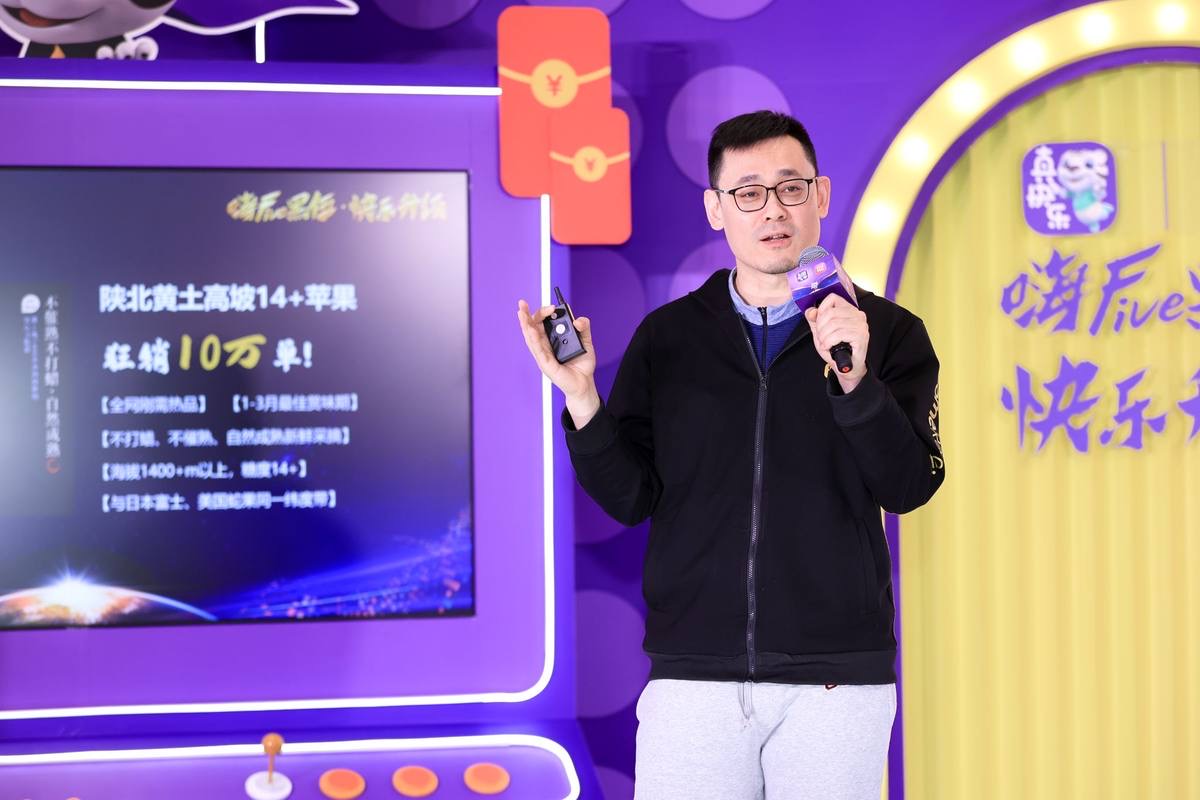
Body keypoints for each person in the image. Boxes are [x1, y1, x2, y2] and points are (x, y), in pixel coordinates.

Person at [517, 110, 945, 800]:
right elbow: (630, 497)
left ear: (820, 195)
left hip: (836, 684)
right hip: (694, 679)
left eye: (790, 188)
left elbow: (910, 484)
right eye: (748, 193)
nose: (773, 210)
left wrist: (855, 378)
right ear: (716, 210)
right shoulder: (669, 338)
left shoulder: (889, 333)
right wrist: (582, 396)